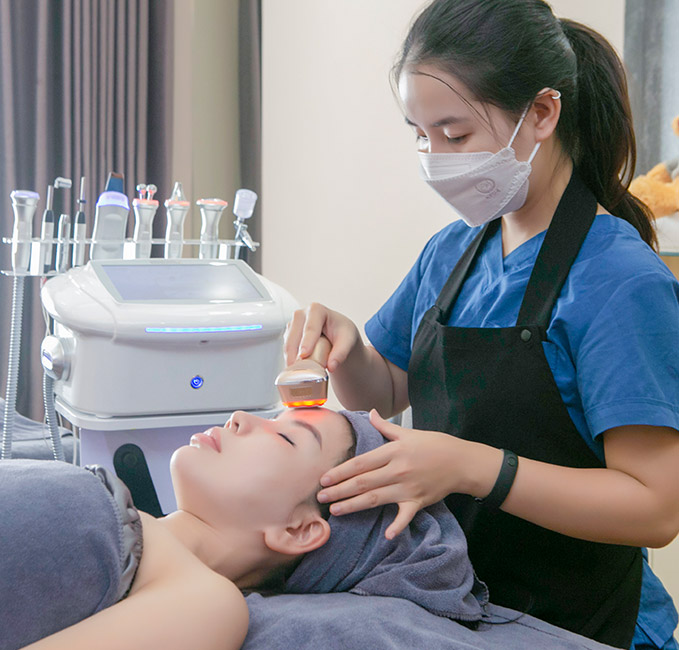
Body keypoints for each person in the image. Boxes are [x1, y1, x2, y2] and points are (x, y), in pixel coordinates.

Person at [284, 1, 679, 649]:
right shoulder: (451, 252)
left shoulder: (619, 280)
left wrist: (474, 468)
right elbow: (384, 391)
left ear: (542, 113)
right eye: (420, 135)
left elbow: (654, 507)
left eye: (455, 134)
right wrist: (349, 351)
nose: (434, 157)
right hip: (472, 613)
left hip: (588, 624)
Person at [1, 408, 356, 650]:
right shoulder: (128, 521)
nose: (240, 418)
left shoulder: (210, 604)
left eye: (286, 437)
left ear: (298, 531)